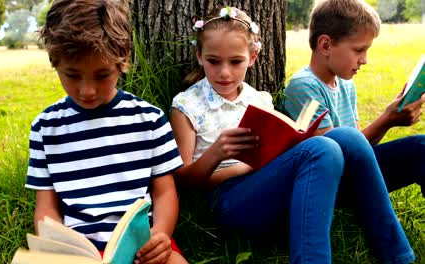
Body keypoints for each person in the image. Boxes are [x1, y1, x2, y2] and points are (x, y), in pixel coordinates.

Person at [170, 5, 415, 264]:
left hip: (271, 187)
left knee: (346, 138)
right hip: (230, 200)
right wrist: (217, 153)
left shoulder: (258, 100)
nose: (224, 72)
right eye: (213, 61)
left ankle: (397, 256)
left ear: (252, 57)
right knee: (322, 148)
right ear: (199, 55)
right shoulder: (188, 106)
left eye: (235, 61)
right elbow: (184, 181)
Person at [25, 1, 188, 263]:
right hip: (80, 251)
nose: (87, 91)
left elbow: (165, 192)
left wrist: (161, 235)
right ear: (55, 63)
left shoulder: (149, 119)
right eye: (72, 75)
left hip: (139, 246)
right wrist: (53, 245)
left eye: (102, 75)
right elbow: (46, 207)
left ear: (122, 60)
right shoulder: (46, 127)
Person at [283, 0, 425, 197]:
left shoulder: (345, 83)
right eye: (359, 50)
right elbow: (331, 155)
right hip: (330, 182)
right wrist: (386, 119)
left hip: (354, 168)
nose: (364, 60)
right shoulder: (303, 87)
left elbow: (361, 146)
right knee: (420, 147)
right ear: (325, 45)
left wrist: (391, 119)